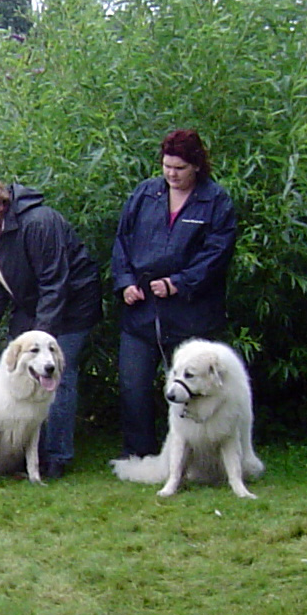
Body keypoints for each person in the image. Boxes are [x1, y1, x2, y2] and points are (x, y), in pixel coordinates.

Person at [0, 174, 102, 479]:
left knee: (55, 372)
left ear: (0, 203)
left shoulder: (38, 223)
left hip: (73, 304)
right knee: (14, 368)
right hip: (32, 304)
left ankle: (56, 458)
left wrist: (41, 338)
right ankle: (20, 454)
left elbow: (55, 282)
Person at [111, 130, 236, 458]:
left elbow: (217, 254)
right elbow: (122, 240)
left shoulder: (216, 201)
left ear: (196, 165)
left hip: (190, 314)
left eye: (179, 167)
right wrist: (125, 283)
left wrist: (178, 282)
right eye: (167, 166)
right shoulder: (145, 193)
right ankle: (139, 455)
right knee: (133, 386)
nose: (171, 174)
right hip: (141, 312)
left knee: (189, 390)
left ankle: (193, 454)